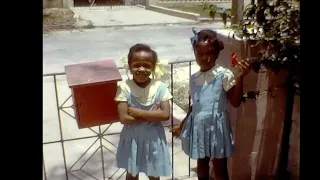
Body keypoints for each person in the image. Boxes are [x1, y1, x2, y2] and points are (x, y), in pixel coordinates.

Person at [172, 29, 251, 180]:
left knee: (219, 168)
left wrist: (240, 78)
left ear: (217, 54)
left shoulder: (224, 75)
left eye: (209, 53)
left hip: (217, 128)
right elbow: (194, 106)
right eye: (199, 54)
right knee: (202, 164)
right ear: (195, 54)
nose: (204, 58)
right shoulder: (194, 78)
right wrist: (182, 125)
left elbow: (235, 103)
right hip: (199, 127)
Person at [115, 44, 172, 180]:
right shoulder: (124, 88)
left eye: (146, 65)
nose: (141, 69)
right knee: (132, 174)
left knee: (154, 173)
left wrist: (138, 113)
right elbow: (124, 118)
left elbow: (165, 115)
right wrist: (153, 116)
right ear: (129, 65)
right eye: (136, 65)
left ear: (153, 66)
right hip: (132, 138)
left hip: (154, 139)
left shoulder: (160, 88)